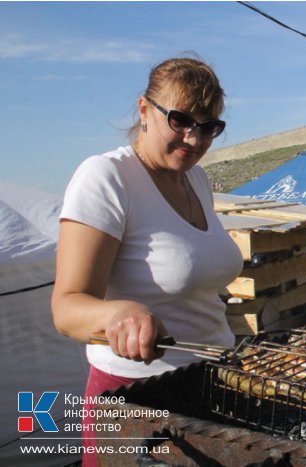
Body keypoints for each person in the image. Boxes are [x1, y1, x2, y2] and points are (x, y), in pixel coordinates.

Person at [51, 57, 243, 466]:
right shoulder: (105, 177)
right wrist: (119, 311)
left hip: (213, 383)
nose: (194, 139)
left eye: (209, 127)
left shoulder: (195, 178)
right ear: (144, 110)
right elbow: (67, 308)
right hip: (135, 399)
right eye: (181, 120)